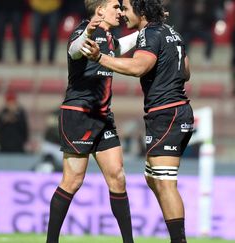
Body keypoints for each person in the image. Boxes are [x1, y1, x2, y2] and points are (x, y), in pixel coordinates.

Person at [81, 0, 193, 241]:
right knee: (153, 177)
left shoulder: (150, 34)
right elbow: (185, 71)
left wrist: (100, 58)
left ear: (141, 11)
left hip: (167, 113)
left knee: (165, 183)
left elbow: (138, 67)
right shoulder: (171, 31)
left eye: (127, 9)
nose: (122, 15)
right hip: (173, 112)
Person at [45, 0, 139, 242]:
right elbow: (74, 50)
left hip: (103, 116)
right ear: (100, 10)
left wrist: (147, 31)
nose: (120, 12)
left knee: (117, 177)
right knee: (73, 180)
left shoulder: (108, 37)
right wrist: (87, 33)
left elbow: (120, 46)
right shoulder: (83, 31)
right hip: (80, 114)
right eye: (115, 7)